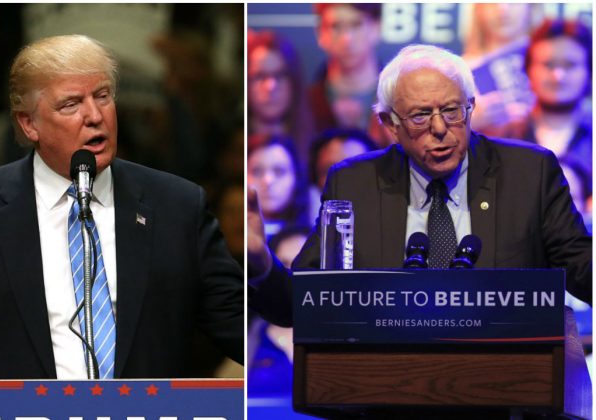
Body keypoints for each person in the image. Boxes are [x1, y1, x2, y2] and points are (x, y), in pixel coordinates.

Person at [0, 34, 244, 380]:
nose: (94, 116)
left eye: (103, 96)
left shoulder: (177, 207)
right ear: (28, 123)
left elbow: (240, 326)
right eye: (70, 105)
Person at [248, 44, 592, 327]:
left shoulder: (528, 173)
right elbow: (305, 301)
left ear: (471, 107)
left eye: (452, 111)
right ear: (389, 124)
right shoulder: (355, 184)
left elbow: (582, 269)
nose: (440, 128)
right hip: (388, 389)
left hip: (506, 391)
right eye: (420, 116)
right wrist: (261, 263)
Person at [518, 19, 592, 203]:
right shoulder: (501, 138)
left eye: (570, 65)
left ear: (590, 71)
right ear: (527, 70)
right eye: (548, 64)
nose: (558, 76)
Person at [308, 3, 391, 147]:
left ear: (377, 28)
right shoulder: (305, 103)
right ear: (320, 33)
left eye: (356, 24)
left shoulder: (398, 100)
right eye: (336, 26)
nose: (346, 39)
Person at [462, 3, 536, 138]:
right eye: (492, 2)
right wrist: (468, 122)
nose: (503, 10)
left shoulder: (549, 61)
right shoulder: (459, 69)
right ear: (478, 9)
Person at [247, 30, 313, 169]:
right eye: (260, 76)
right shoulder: (237, 150)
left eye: (279, 75)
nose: (270, 86)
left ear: (294, 81)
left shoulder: (314, 149)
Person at [247, 134, 309, 241]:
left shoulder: (312, 241)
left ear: (296, 177)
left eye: (279, 171)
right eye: (257, 171)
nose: (267, 181)